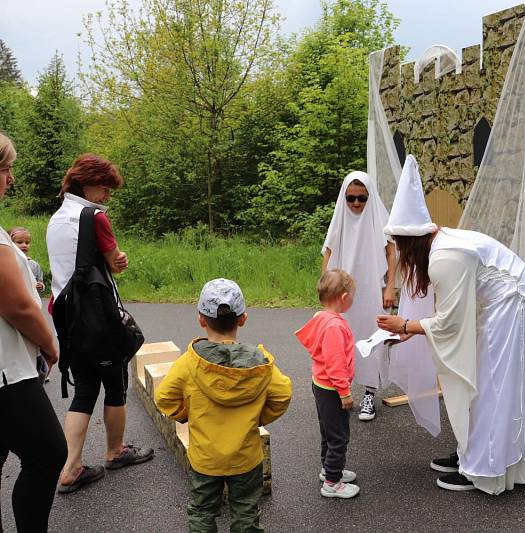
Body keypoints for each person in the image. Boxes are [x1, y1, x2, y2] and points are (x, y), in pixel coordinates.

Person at [376, 155, 525, 495]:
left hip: (516, 305)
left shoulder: (445, 258)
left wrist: (406, 325)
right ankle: (471, 453)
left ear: (410, 241)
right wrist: (406, 327)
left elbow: (447, 323)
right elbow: (446, 314)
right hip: (506, 304)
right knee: (489, 382)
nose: (398, 253)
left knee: (494, 386)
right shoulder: (439, 245)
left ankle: (484, 469)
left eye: (398, 245)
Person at [46, 153, 154, 494]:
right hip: (98, 315)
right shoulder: (94, 217)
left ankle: (71, 467)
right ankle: (115, 450)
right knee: (115, 382)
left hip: (67, 315)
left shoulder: (56, 218)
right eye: (105, 188)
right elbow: (115, 263)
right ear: (88, 183)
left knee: (84, 389)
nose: (107, 196)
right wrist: (119, 260)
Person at [155, 278, 292, 532]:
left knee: (202, 512)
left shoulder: (189, 363)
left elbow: (163, 396)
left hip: (205, 459)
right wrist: (258, 417)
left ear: (201, 319)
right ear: (243, 319)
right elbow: (283, 394)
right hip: (246, 458)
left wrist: (186, 414)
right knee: (246, 513)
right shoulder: (260, 364)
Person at [0, 132, 68, 532]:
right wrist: (49, 343)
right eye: (5, 169)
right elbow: (18, 306)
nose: (10, 178)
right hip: (8, 373)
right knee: (47, 453)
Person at [321, 171, 396, 421]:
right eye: (350, 198)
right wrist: (325, 288)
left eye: (361, 198)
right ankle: (339, 389)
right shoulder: (340, 218)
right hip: (342, 291)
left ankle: (369, 394)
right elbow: (328, 252)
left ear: (369, 197)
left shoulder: (377, 218)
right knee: (339, 339)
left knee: (371, 338)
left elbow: (390, 252)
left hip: (371, 290)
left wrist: (390, 287)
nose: (355, 204)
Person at [295, 269, 361, 499]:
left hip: (321, 384)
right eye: (352, 295)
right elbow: (335, 363)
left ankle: (329, 469)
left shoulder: (321, 317)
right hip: (333, 390)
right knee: (339, 436)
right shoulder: (334, 326)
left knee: (328, 431)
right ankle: (332, 483)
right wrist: (344, 393)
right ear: (343, 297)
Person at [8, 227, 45, 294]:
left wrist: (41, 286)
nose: (24, 245)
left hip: (31, 298)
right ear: (10, 244)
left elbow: (40, 281)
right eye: (20, 242)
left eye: (27, 243)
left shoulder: (34, 265)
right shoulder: (8, 263)